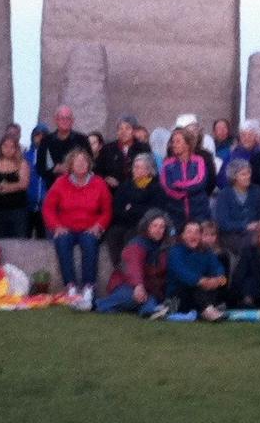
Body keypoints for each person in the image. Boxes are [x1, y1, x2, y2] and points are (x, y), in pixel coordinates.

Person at [41, 148, 111, 306]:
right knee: (62, 242)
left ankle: (88, 288)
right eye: (77, 161)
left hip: (89, 228)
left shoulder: (99, 183)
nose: (81, 164)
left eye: (84, 161)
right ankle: (70, 287)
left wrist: (98, 226)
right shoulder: (60, 183)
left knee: (89, 243)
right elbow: (48, 207)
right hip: (66, 227)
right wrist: (56, 226)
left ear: (89, 164)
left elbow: (107, 210)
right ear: (70, 165)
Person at [97, 209, 172, 317]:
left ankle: (141, 310)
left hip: (149, 290)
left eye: (162, 227)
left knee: (149, 305)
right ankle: (98, 305)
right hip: (127, 285)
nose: (158, 230)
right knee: (131, 296)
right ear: (147, 226)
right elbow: (133, 267)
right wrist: (138, 285)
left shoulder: (165, 246)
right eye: (154, 225)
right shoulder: (137, 244)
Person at [165, 219, 230, 320]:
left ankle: (207, 310)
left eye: (197, 232)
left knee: (219, 284)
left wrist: (218, 279)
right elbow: (183, 273)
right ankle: (208, 311)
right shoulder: (175, 251)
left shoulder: (206, 251)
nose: (193, 235)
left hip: (201, 293)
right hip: (177, 296)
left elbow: (217, 267)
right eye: (189, 232)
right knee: (194, 286)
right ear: (182, 235)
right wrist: (201, 281)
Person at [210, 159, 260, 258]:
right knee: (250, 245)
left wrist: (258, 225)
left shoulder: (257, 191)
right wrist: (245, 226)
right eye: (243, 174)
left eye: (249, 173)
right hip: (231, 235)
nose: (247, 176)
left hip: (254, 232)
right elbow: (223, 223)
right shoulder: (224, 194)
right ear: (234, 177)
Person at [160, 126, 212, 229]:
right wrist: (184, 191)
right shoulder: (167, 164)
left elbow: (200, 182)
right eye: (173, 141)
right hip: (175, 213)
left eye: (178, 141)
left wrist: (179, 185)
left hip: (199, 212)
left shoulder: (199, 160)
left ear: (187, 144)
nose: (174, 145)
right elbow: (166, 186)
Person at [0, 132, 33, 239]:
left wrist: (4, 187)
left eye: (12, 146)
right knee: (0, 242)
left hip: (18, 210)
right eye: (5, 146)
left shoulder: (22, 163)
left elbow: (24, 184)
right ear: (0, 147)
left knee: (19, 241)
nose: (8, 149)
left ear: (16, 148)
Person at [38, 105, 88, 186]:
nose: (65, 121)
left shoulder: (82, 140)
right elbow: (40, 168)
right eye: (62, 118)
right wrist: (54, 169)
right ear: (55, 120)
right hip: (53, 188)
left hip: (77, 188)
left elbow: (90, 164)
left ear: (72, 121)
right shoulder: (46, 141)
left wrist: (72, 168)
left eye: (68, 118)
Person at [26, 124, 52, 237]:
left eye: (44, 135)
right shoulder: (24, 156)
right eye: (37, 134)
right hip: (27, 206)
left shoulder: (53, 156)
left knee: (45, 241)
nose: (40, 137)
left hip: (46, 206)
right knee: (23, 240)